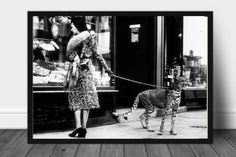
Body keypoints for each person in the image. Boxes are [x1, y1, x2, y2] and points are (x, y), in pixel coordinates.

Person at [65, 16, 113, 138]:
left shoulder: (75, 39)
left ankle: (79, 127)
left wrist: (107, 69)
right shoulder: (89, 38)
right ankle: (82, 129)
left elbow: (70, 55)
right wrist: (107, 69)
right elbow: (97, 54)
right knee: (84, 99)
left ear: (78, 26)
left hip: (78, 72)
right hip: (85, 71)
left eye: (72, 25)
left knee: (77, 98)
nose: (71, 28)